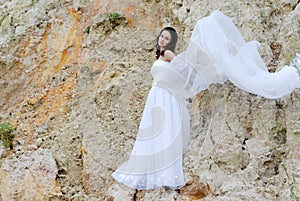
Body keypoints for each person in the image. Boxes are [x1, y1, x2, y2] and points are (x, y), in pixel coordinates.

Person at [112, 10, 300, 190]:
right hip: (157, 95)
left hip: (163, 94)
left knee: (159, 131)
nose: (162, 39)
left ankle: (160, 171)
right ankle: (156, 169)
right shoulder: (161, 55)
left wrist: (172, 80)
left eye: (167, 38)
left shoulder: (168, 54)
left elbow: (183, 68)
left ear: (171, 43)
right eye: (162, 36)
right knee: (153, 130)